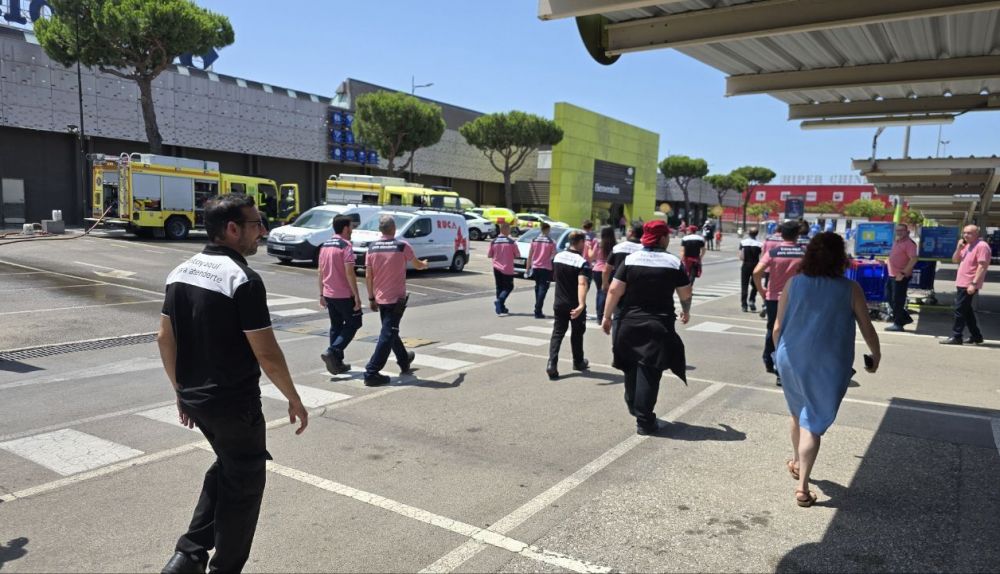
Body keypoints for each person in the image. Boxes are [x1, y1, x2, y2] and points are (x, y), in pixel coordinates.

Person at [158, 195, 308, 574]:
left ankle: (188, 556)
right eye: (256, 224)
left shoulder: (180, 272)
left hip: (196, 399)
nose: (263, 231)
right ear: (231, 229)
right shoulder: (242, 279)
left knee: (229, 465)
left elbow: (164, 338)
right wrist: (294, 398)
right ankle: (221, 567)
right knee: (245, 484)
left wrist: (180, 392)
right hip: (233, 405)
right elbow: (267, 353)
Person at [773, 232, 881, 507]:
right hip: (829, 362)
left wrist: (779, 356)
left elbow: (777, 327)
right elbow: (867, 328)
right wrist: (876, 354)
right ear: (840, 258)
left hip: (790, 357)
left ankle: (797, 461)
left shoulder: (794, 283)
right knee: (813, 421)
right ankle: (802, 487)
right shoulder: (850, 289)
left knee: (797, 411)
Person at [601, 221, 693, 435]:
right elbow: (685, 293)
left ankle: (632, 402)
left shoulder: (631, 259)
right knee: (650, 370)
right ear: (662, 238)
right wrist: (686, 311)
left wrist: (607, 316)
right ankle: (644, 420)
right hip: (658, 325)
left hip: (629, 322)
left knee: (631, 365)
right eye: (667, 236)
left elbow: (614, 290)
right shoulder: (673, 262)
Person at [363, 215, 429, 386]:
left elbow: (368, 275)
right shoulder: (402, 246)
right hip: (396, 299)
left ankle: (404, 360)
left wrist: (371, 297)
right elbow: (417, 265)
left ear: (380, 229)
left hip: (380, 298)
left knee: (391, 330)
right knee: (387, 334)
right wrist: (424, 264)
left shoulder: (372, 248)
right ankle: (371, 372)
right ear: (393, 229)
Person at [752, 220, 805, 385]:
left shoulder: (774, 252)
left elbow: (757, 272)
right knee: (793, 333)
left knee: (772, 329)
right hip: (797, 299)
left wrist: (762, 291)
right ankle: (785, 367)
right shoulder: (804, 253)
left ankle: (769, 360)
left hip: (774, 298)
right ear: (797, 235)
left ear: (781, 234)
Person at [318, 215, 362, 374]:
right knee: (354, 323)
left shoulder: (325, 245)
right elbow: (350, 272)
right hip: (343, 294)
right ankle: (333, 351)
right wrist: (356, 296)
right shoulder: (346, 246)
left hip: (329, 293)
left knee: (336, 326)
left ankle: (337, 363)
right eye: (351, 227)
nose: (352, 230)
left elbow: (320, 271)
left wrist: (321, 294)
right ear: (345, 228)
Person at [546, 231, 591, 380]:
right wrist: (581, 304)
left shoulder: (558, 257)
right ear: (580, 242)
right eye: (584, 242)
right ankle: (578, 362)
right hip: (574, 304)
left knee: (558, 333)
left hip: (559, 302)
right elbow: (582, 283)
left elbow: (554, 276)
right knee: (577, 333)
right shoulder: (581, 262)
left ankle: (552, 364)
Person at [941, 224, 991, 345]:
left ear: (977, 234)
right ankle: (976, 336)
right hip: (961, 282)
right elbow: (955, 260)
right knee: (967, 311)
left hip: (969, 283)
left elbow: (982, 266)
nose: (966, 235)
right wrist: (958, 248)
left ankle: (957, 336)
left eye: (969, 233)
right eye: (964, 233)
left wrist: (974, 283)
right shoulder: (967, 246)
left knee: (959, 310)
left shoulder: (982, 246)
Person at [603, 222, 645, 350]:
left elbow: (606, 269)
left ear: (631, 232)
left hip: (619, 288)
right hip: (639, 291)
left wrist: (605, 284)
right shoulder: (645, 249)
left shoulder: (618, 248)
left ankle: (617, 348)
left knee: (618, 317)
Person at [885, 223, 918, 332]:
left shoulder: (909, 244)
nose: (899, 232)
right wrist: (885, 262)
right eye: (897, 230)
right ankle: (904, 318)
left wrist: (903, 273)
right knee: (889, 297)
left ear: (907, 232)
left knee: (897, 301)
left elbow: (914, 259)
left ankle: (898, 323)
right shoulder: (896, 242)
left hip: (900, 276)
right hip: (891, 274)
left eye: (901, 230)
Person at [526, 222, 556, 319]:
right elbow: (553, 256)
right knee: (543, 289)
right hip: (546, 268)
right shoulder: (551, 242)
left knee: (537, 287)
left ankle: (538, 309)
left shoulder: (534, 240)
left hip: (535, 267)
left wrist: (527, 268)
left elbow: (530, 255)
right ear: (547, 230)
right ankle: (537, 310)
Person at [487, 222, 517, 316]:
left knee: (499, 287)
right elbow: (517, 254)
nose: (509, 231)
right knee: (509, 287)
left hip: (496, 267)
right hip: (507, 268)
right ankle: (499, 301)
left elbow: (489, 255)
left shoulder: (494, 241)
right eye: (509, 229)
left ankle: (501, 308)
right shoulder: (511, 242)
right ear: (505, 229)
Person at [593, 226, 616, 324]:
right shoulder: (615, 246)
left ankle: (599, 316)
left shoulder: (598, 244)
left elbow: (593, 256)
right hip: (611, 270)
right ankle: (609, 315)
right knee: (611, 293)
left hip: (598, 269)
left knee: (600, 292)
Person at [738, 227, 764, 312]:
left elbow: (741, 256)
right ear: (757, 234)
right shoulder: (760, 244)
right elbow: (762, 257)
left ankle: (744, 305)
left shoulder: (743, 242)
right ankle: (752, 300)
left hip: (746, 265)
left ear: (749, 233)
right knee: (756, 284)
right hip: (756, 265)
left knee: (744, 285)